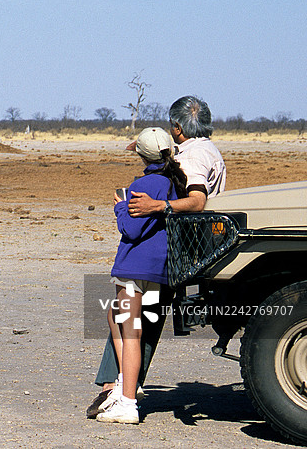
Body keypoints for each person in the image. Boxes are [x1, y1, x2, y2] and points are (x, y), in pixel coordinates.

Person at [87, 96, 226, 419]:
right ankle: (121, 387)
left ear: (177, 128)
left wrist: (148, 206)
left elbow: (196, 201)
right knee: (131, 320)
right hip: (175, 253)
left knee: (134, 324)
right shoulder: (207, 153)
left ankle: (120, 390)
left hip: (160, 255)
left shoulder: (187, 159)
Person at [96, 127, 188, 424]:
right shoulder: (174, 183)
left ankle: (128, 402)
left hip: (135, 268)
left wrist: (120, 207)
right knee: (116, 318)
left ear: (141, 154)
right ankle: (127, 385)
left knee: (131, 331)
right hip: (159, 269)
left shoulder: (145, 183)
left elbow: (132, 229)